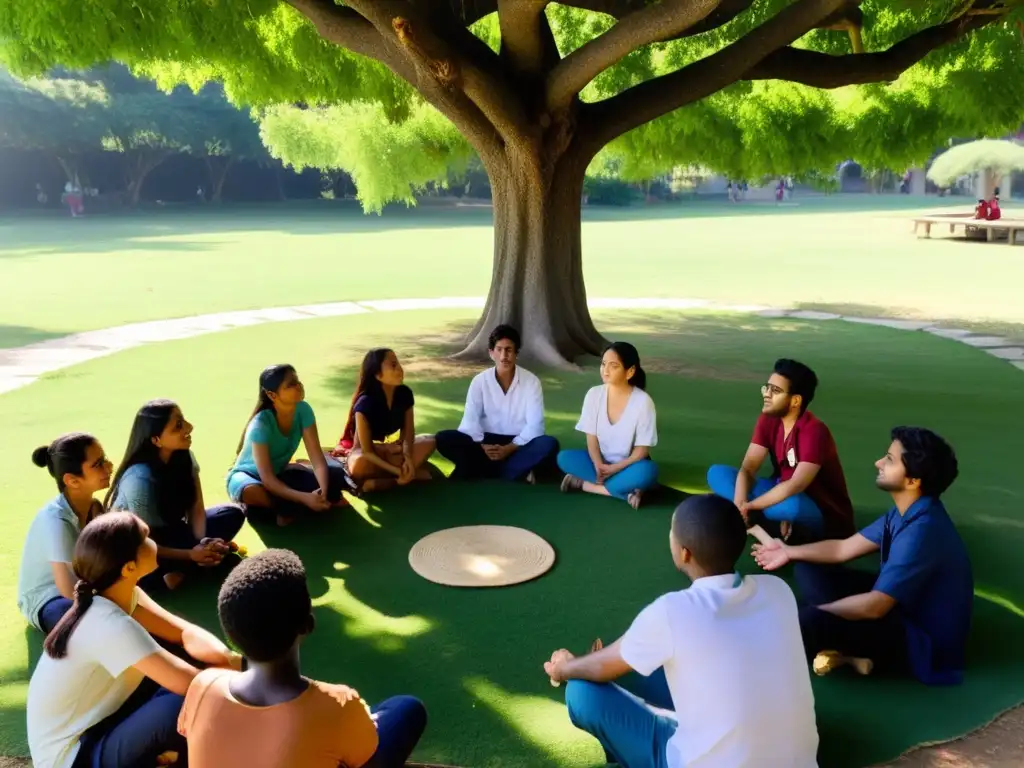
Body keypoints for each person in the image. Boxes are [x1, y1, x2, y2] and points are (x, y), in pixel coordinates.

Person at [544, 494, 819, 768]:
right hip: (796, 760)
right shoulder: (778, 590)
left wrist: (564, 668)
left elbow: (602, 667)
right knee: (656, 663)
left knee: (581, 692)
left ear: (685, 552)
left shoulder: (671, 611)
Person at [754, 427, 972, 685]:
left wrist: (809, 615)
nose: (878, 463)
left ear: (913, 481)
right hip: (899, 607)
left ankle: (851, 654)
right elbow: (842, 549)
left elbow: (875, 605)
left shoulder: (922, 531)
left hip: (920, 642)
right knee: (808, 568)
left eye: (889, 460)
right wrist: (788, 551)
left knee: (808, 621)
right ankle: (848, 655)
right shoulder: (906, 511)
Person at [27, 512, 242, 768]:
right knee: (188, 703)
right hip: (73, 757)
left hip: (102, 724)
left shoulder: (123, 594)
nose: (154, 543)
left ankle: (167, 757)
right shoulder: (107, 623)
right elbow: (191, 685)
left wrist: (230, 660)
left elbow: (184, 633)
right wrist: (253, 680)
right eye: (147, 538)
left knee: (192, 668)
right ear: (129, 567)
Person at [179, 548, 428, 767]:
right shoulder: (338, 704)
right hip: (345, 725)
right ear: (308, 624)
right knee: (406, 709)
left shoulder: (203, 684)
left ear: (231, 634)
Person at [707, 358, 855, 543]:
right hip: (777, 490)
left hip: (816, 506)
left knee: (791, 507)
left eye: (775, 391)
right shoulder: (769, 419)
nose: (767, 394)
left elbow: (796, 485)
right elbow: (748, 468)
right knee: (717, 474)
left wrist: (750, 505)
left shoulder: (815, 431)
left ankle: (762, 519)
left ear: (795, 401)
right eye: (766, 387)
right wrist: (740, 503)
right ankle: (760, 520)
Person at [107, 399, 245, 591]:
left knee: (232, 514)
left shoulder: (185, 456)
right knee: (136, 559)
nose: (190, 427)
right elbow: (143, 540)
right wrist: (191, 554)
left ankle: (185, 570)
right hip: (138, 543)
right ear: (156, 440)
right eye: (178, 426)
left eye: (184, 421)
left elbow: (196, 508)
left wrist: (202, 544)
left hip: (173, 532)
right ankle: (161, 578)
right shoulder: (139, 478)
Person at [228, 364, 351, 527]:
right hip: (251, 477)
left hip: (280, 474)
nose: (298, 386)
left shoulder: (303, 410)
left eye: (297, 381)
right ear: (272, 395)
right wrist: (304, 497)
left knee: (334, 473)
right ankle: (284, 507)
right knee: (252, 491)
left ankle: (286, 507)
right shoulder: (260, 425)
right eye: (291, 384)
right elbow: (268, 479)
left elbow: (316, 456)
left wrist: (323, 490)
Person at [435, 324, 558, 484]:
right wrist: (482, 446)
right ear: (491, 353)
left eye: (509, 350)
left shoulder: (531, 382)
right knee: (443, 438)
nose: (504, 355)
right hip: (485, 443)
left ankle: (483, 470)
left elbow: (535, 425)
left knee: (548, 443)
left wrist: (509, 448)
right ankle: (512, 472)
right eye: (499, 349)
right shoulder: (479, 381)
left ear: (516, 353)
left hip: (517, 444)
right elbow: (470, 421)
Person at [18, 434, 112, 635]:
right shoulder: (57, 521)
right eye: (98, 464)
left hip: (85, 584)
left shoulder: (93, 507)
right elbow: (68, 590)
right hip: (47, 598)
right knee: (89, 622)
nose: (109, 466)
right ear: (72, 480)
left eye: (104, 459)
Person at [558, 342, 658, 509]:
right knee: (563, 458)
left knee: (648, 472)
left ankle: (584, 485)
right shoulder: (594, 394)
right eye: (603, 364)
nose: (605, 370)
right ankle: (628, 492)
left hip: (629, 465)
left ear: (630, 371)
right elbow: (591, 438)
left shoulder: (643, 402)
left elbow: (641, 451)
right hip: (599, 462)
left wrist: (614, 469)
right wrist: (598, 465)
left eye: (614, 366)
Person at [338, 348, 436, 493]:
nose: (400, 369)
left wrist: (407, 456)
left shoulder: (405, 394)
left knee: (430, 440)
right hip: (369, 455)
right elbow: (366, 451)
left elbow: (408, 433)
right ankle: (398, 479)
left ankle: (379, 482)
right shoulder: (364, 404)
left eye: (398, 364)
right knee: (360, 464)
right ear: (378, 374)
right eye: (393, 365)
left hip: (394, 451)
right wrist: (397, 471)